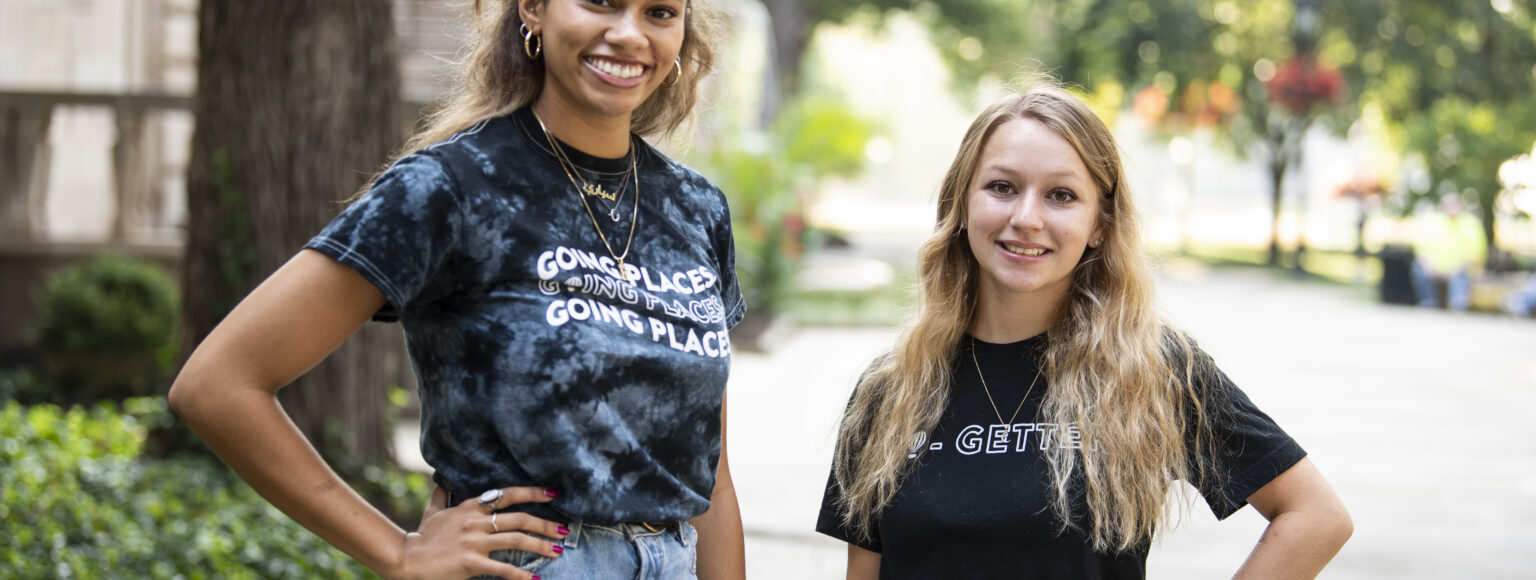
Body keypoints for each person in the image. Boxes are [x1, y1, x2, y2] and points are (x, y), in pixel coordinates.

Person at [168, 1, 747, 579]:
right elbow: (218, 384)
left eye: (660, 12)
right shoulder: (451, 188)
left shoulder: (695, 210)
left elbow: (711, 480)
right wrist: (398, 550)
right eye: (601, 2)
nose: (629, 34)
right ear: (535, 10)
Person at [815, 84, 1352, 579]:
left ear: (1100, 225)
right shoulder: (890, 390)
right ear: (961, 204)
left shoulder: (1152, 369)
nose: (1026, 217)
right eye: (1002, 187)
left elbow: (1315, 516)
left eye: (1061, 196)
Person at [1411, 195, 1487, 311]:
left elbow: (1477, 255)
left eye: (1454, 205)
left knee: (1463, 275)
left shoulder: (1471, 224)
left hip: (1459, 270)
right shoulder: (1433, 222)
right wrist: (1429, 267)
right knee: (1417, 267)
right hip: (1434, 269)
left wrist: (1457, 269)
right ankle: (1428, 302)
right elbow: (1420, 250)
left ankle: (1458, 305)